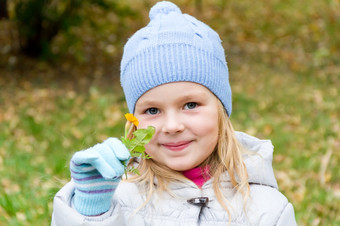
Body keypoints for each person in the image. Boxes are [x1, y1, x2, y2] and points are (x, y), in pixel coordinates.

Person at [51, 1, 297, 225]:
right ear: (134, 123)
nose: (172, 126)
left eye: (190, 105)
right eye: (153, 110)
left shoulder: (267, 210)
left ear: (221, 109)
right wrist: (91, 210)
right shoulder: (119, 201)